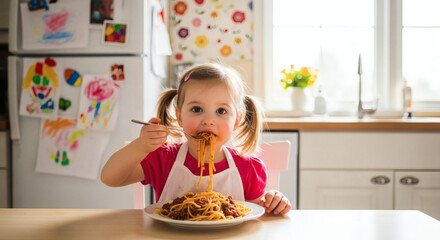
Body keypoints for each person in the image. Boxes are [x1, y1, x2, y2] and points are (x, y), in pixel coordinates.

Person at [101, 63, 291, 215]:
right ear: (179, 116)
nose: (208, 121)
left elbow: (256, 215)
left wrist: (274, 201)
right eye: (197, 109)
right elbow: (110, 178)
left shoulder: (248, 167)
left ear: (237, 121)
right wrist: (140, 146)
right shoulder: (164, 158)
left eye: (221, 111)